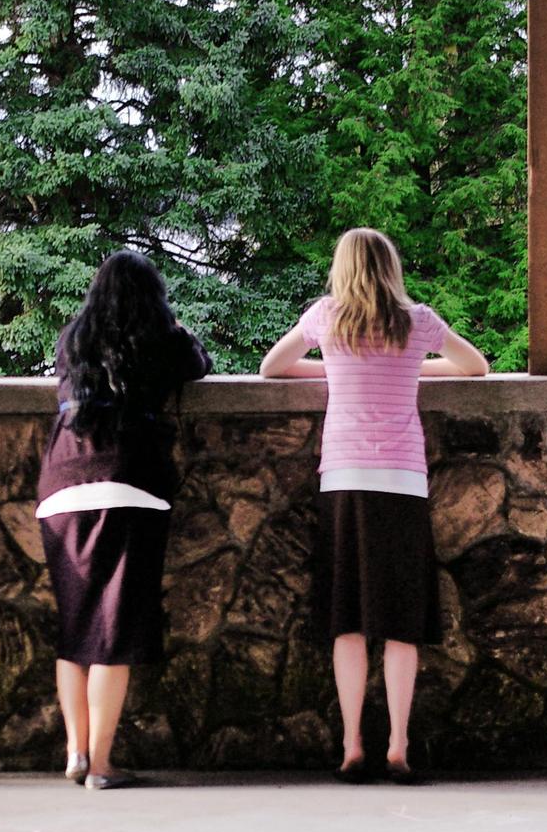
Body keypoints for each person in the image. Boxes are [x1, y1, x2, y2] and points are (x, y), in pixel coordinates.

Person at [258, 228, 488, 784]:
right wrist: (413, 368)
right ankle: (400, 747)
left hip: (344, 478)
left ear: (343, 267)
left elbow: (271, 368)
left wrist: (334, 371)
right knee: (401, 621)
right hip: (402, 481)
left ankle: (352, 745)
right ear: (391, 267)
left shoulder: (326, 318)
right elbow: (476, 366)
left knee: (348, 621)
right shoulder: (417, 322)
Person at [37, 251, 213, 790]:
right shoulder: (162, 337)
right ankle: (102, 762)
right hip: (132, 484)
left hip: (62, 485)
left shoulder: (74, 337)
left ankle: (74, 751)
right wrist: (178, 326)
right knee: (111, 633)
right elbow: (200, 365)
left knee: (76, 628)